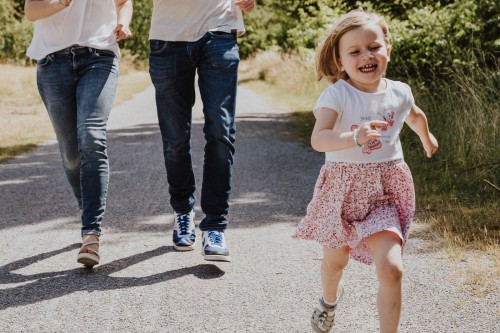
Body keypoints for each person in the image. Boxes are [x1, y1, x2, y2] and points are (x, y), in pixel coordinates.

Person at [292, 10, 439, 333]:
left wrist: (426, 138)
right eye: (354, 51)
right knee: (335, 262)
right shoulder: (338, 94)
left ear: (388, 47)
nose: (366, 56)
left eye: (373, 47)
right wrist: (353, 138)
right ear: (341, 61)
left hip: (385, 191)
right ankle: (329, 300)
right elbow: (319, 138)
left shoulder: (399, 91)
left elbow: (414, 115)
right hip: (341, 191)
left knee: (392, 269)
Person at [25, 0, 133, 267]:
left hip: (99, 57)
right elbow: (31, 11)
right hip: (52, 62)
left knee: (92, 137)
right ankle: (87, 210)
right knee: (71, 154)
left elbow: (124, 2)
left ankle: (91, 233)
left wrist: (124, 21)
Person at [148, 0, 255, 262]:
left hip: (219, 30)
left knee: (221, 129)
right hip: (168, 37)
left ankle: (215, 226)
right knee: (175, 138)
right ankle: (183, 211)